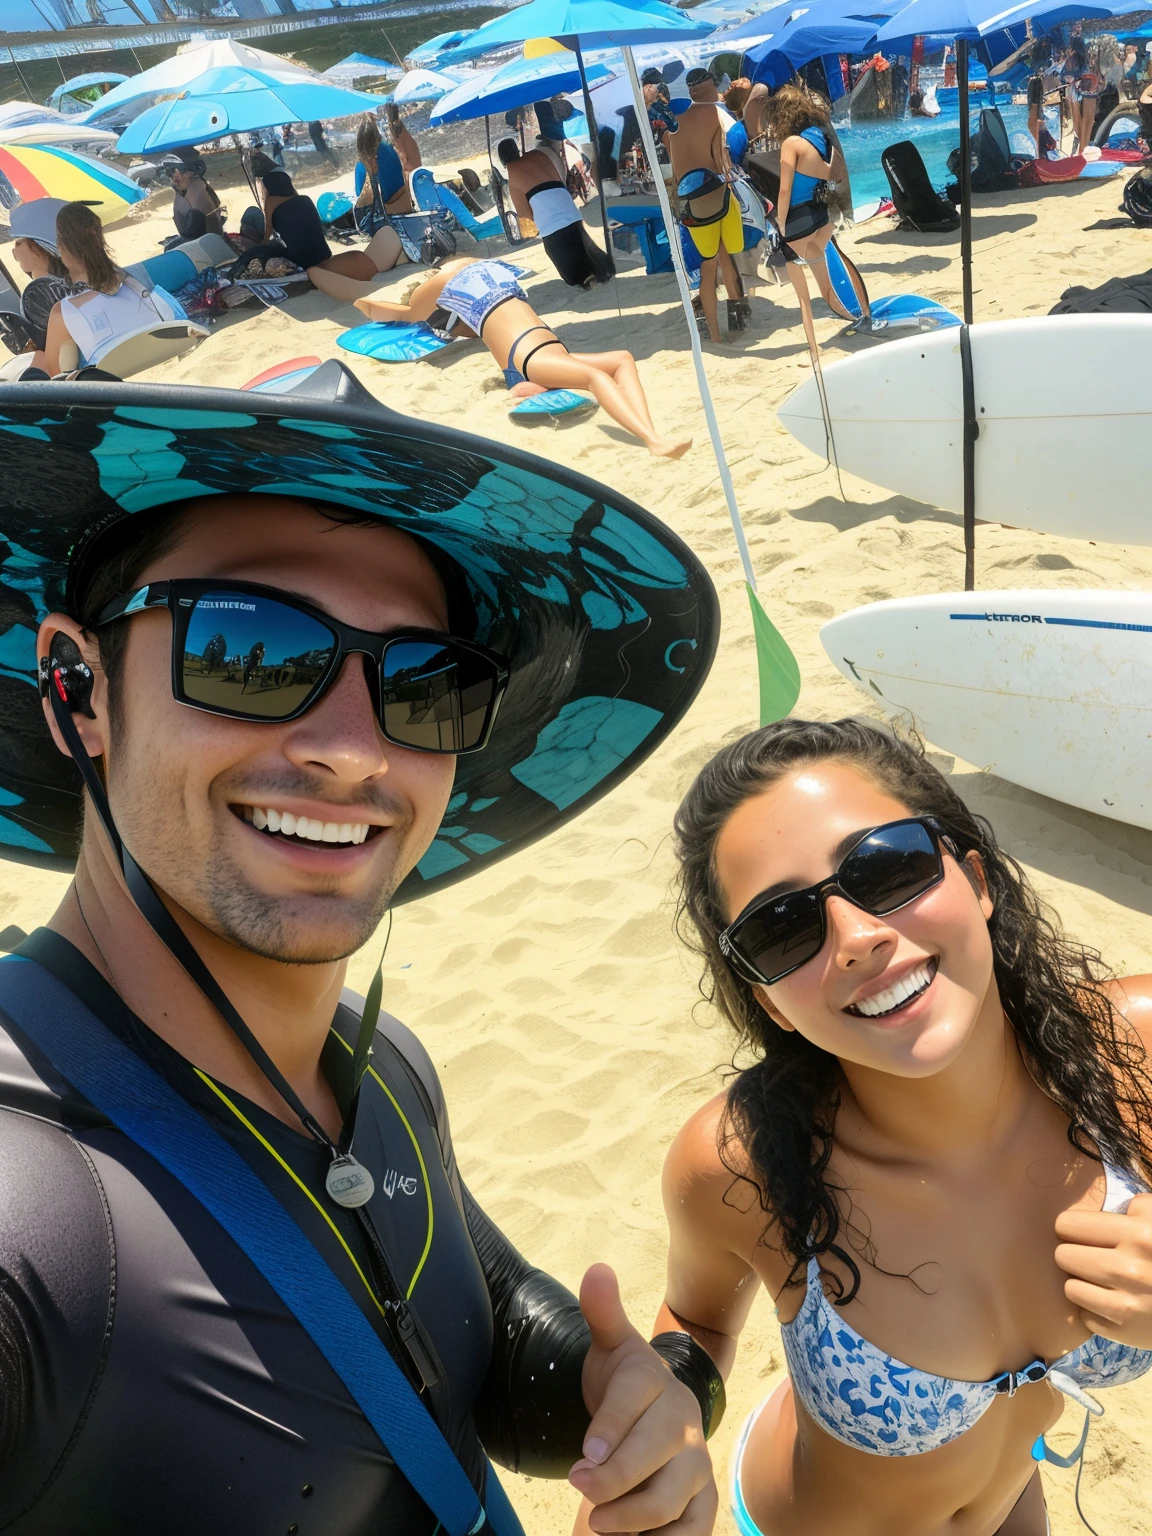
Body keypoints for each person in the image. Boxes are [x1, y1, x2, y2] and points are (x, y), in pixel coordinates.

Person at [0, 379, 721, 1533]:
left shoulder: (381, 1067)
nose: (349, 750)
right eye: (247, 649)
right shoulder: (27, 1208)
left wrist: (643, 1402)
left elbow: (462, 1334)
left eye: (421, 683)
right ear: (76, 688)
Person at [658, 718, 1152, 1536]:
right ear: (766, 1001)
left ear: (978, 879)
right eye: (783, 928)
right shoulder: (736, 1166)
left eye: (887, 867)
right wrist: (662, 1424)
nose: (857, 938)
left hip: (1011, 1507)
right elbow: (696, 1322)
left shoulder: (1133, 1052)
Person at [354, 257, 691, 458]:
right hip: (526, 355)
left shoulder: (468, 277)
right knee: (597, 377)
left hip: (545, 348)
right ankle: (652, 440)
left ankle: (532, 387)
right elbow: (404, 312)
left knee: (623, 359)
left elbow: (406, 310)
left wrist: (367, 304)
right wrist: (365, 305)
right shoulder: (463, 277)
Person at [33, 201, 180, 375]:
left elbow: (54, 375)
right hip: (163, 356)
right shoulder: (136, 282)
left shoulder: (64, 313)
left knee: (38, 359)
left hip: (109, 385)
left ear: (61, 247)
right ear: (99, 239)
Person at [242, 152, 408, 301]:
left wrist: (260, 245)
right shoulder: (305, 199)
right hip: (323, 253)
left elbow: (268, 234)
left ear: (269, 187)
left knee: (265, 251)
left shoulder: (272, 202)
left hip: (301, 259)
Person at [767, 84, 868, 326]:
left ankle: (848, 321)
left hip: (797, 218)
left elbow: (784, 190)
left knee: (808, 294)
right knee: (836, 265)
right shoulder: (817, 135)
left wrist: (780, 224)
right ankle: (863, 312)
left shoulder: (791, 144)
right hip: (820, 212)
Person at [665, 68, 748, 344]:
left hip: (693, 206)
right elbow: (723, 161)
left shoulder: (671, 129)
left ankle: (714, 336)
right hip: (718, 197)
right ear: (711, 87)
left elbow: (677, 177)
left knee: (707, 269)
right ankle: (738, 320)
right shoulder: (714, 114)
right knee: (727, 257)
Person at [496, 139, 611, 288]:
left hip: (551, 223)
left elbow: (526, 218)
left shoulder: (513, 172)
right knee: (579, 243)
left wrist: (529, 232)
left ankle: (583, 279)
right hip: (570, 209)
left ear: (502, 159)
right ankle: (598, 271)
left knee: (564, 261)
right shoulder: (537, 155)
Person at [4, 197, 78, 352]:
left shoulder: (40, 293)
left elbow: (51, 354)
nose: (14, 252)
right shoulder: (79, 278)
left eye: (18, 243)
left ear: (39, 244)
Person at [354, 113, 412, 220]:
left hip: (385, 217)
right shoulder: (391, 149)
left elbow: (361, 198)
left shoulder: (362, 164)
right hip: (405, 208)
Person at [161, 154, 225, 243]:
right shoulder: (198, 186)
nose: (174, 178)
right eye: (169, 172)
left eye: (181, 170)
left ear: (191, 172)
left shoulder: (196, 192)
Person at [387, 102, 422, 178]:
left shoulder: (397, 136)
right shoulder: (402, 130)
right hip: (418, 172)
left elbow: (403, 159)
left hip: (411, 175)